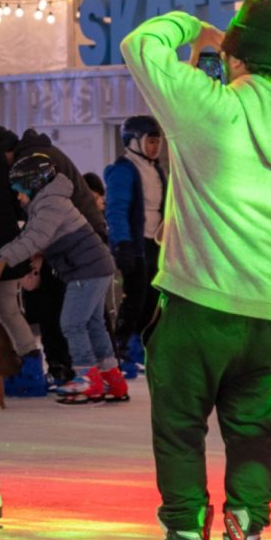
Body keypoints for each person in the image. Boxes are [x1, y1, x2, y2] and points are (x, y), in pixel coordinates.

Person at [121, 0, 271, 540]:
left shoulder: (208, 107)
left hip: (200, 304)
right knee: (253, 439)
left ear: (234, 51)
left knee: (181, 432)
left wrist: (196, 28)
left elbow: (141, 46)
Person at [0, 153, 125, 405]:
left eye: (20, 190)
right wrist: (5, 253)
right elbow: (30, 236)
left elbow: (35, 239)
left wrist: (2, 258)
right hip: (95, 267)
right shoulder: (50, 201)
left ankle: (87, 378)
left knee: (72, 323)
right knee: (94, 324)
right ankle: (112, 378)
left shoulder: (50, 204)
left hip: (86, 269)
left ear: (34, 184)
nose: (18, 197)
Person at [0, 124, 46, 397]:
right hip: (9, 247)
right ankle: (29, 368)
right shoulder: (5, 172)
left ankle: (8, 372)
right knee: (9, 309)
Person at [104, 116, 165, 371]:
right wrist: (123, 243)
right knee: (136, 297)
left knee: (152, 297)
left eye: (156, 141)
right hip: (134, 243)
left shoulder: (155, 169)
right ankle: (123, 346)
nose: (154, 147)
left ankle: (140, 344)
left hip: (155, 242)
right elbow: (116, 209)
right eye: (149, 141)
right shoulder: (124, 169)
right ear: (134, 141)